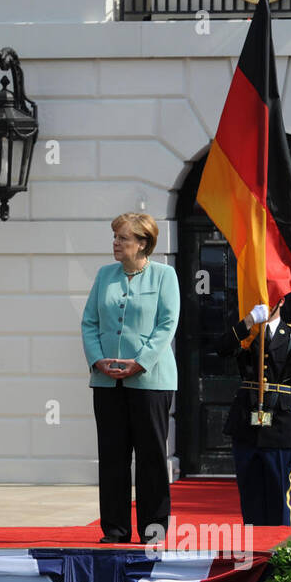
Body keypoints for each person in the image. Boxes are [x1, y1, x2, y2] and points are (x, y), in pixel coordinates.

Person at [81, 212, 179, 544]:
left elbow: (167, 325)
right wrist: (97, 360)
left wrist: (141, 362)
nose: (116, 243)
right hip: (107, 382)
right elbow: (89, 323)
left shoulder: (165, 276)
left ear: (142, 242)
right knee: (112, 457)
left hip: (151, 381)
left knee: (151, 456)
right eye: (115, 237)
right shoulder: (104, 275)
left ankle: (153, 530)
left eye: (123, 238)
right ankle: (115, 531)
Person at [217, 298, 291, 526]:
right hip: (246, 422)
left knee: (277, 492)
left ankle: (278, 550)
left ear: (280, 301)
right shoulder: (246, 332)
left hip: (281, 425)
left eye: (270, 297)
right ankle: (253, 552)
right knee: (250, 493)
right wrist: (248, 322)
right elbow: (221, 348)